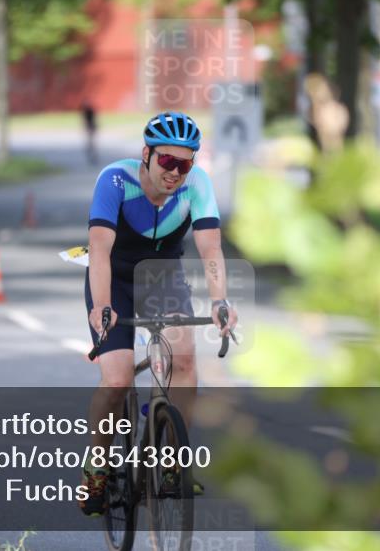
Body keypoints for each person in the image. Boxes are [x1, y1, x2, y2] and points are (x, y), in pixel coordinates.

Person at [78, 111, 239, 516]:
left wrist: (220, 301)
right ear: (146, 154)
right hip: (113, 280)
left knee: (184, 364)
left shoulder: (197, 184)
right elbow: (98, 250)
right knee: (116, 379)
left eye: (185, 163)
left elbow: (210, 250)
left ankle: (170, 463)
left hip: (162, 279)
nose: (175, 172)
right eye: (167, 161)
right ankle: (97, 464)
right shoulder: (115, 180)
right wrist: (101, 308)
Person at [80, 99, 98, 165]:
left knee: (91, 143)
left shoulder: (89, 111)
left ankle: (92, 154)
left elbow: (88, 120)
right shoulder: (86, 110)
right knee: (90, 143)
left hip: (90, 127)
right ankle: (91, 154)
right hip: (90, 127)